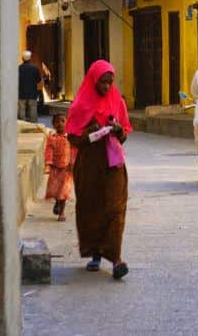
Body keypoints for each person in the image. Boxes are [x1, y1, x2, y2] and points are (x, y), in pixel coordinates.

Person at [65, 60, 132, 280]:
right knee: (92, 207)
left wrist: (118, 129)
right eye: (103, 82)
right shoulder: (80, 105)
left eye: (110, 82)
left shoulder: (117, 101)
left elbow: (124, 133)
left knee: (115, 207)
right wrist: (89, 133)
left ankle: (116, 258)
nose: (106, 87)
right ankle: (95, 252)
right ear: (94, 80)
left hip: (113, 164)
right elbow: (73, 137)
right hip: (89, 165)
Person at [44, 113, 74, 222]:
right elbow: (49, 150)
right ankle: (57, 201)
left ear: (67, 123)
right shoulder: (52, 138)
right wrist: (49, 163)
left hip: (67, 169)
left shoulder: (70, 138)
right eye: (57, 121)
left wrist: (72, 163)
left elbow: (74, 151)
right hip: (55, 169)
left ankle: (62, 213)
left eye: (62, 121)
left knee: (64, 190)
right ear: (53, 124)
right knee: (56, 190)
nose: (60, 123)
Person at [18, 50, 41, 122]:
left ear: (22, 58)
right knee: (33, 109)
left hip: (21, 92)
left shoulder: (18, 68)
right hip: (32, 92)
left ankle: (22, 124)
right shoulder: (35, 68)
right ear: (30, 58)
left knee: (21, 109)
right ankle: (33, 125)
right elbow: (39, 80)